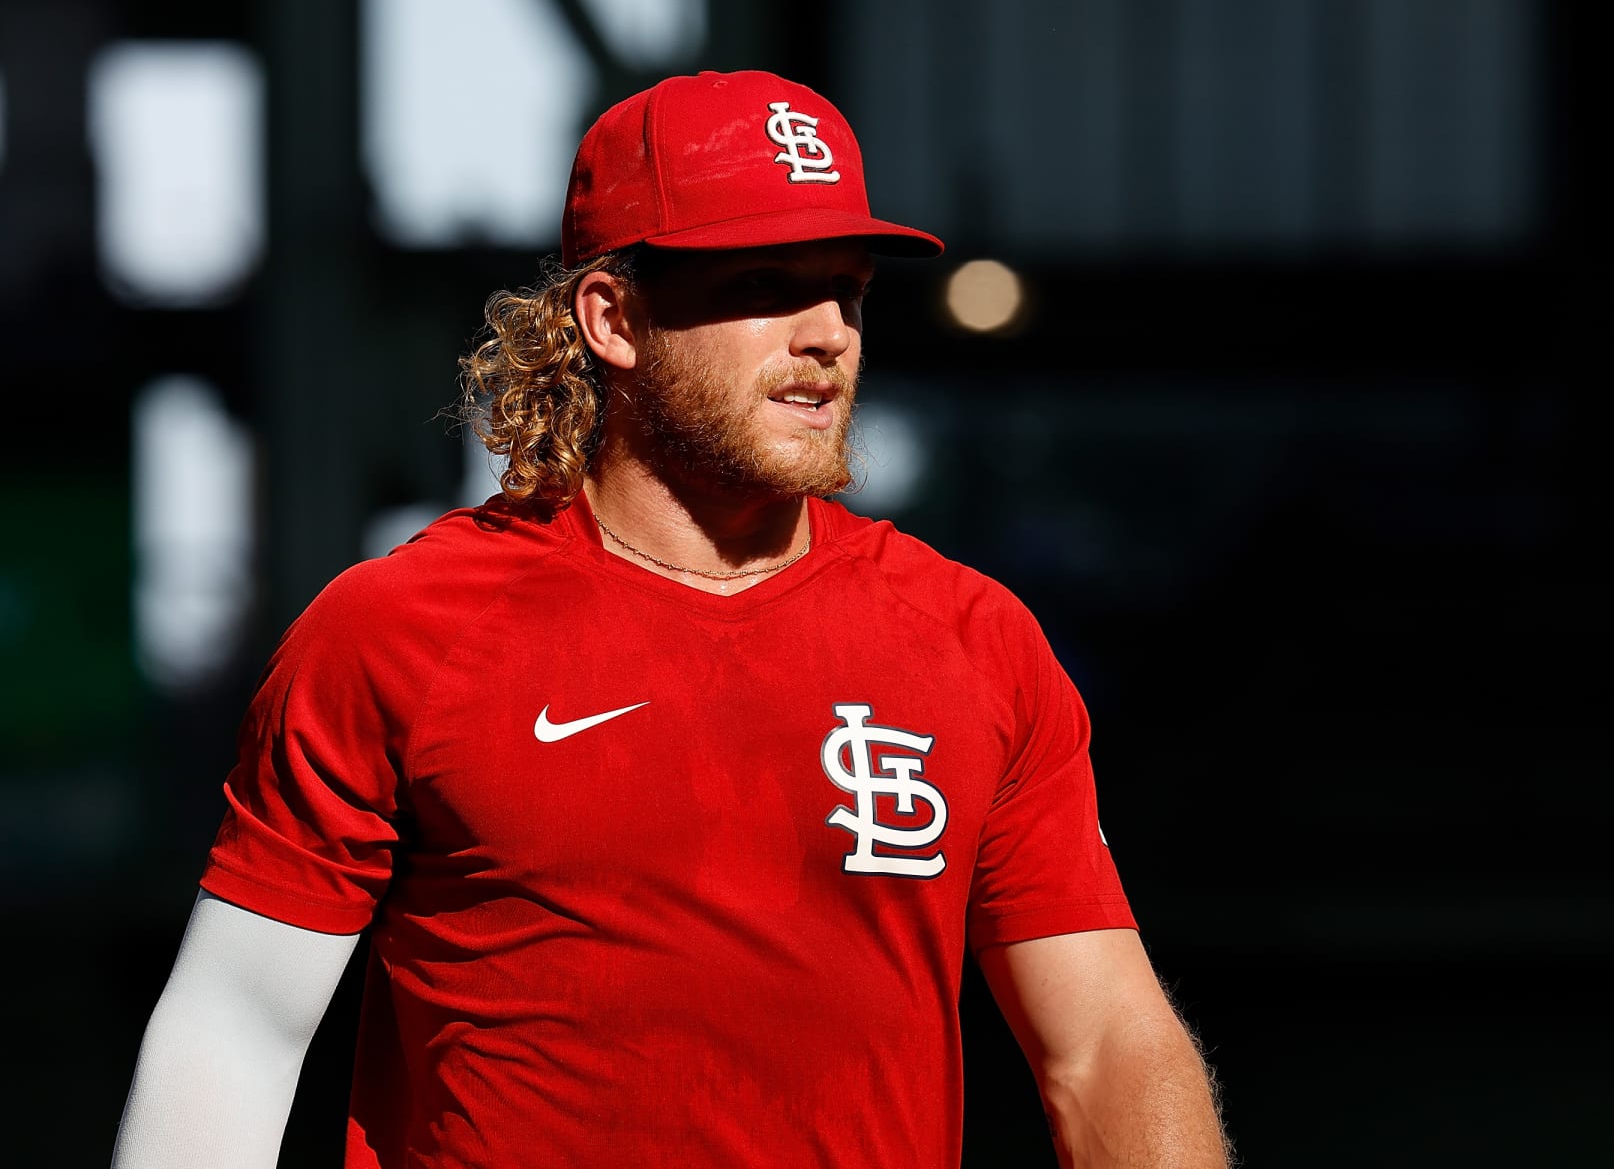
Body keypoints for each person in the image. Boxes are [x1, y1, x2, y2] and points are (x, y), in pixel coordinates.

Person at [111, 68, 1233, 1169]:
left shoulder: (975, 641)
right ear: (613, 318)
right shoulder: (401, 630)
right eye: (768, 283)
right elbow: (237, 1031)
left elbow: (1105, 1046)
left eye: (845, 288)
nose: (828, 333)